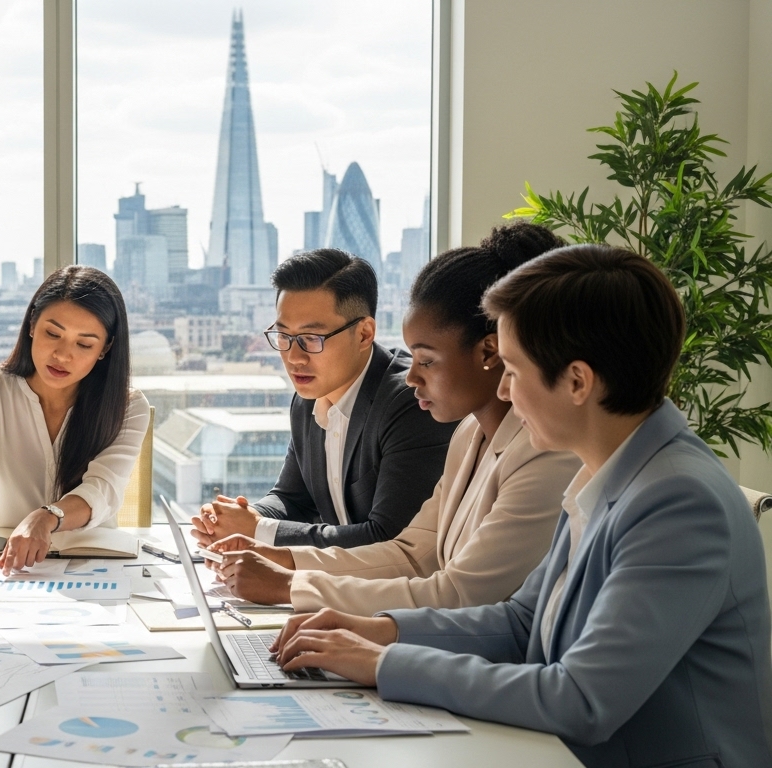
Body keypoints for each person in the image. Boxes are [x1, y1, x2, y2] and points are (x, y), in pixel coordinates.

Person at [272, 244, 772, 767]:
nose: (504, 390)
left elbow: (581, 699)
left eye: (513, 369)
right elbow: (520, 621)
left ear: (577, 381)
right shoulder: (603, 470)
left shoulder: (679, 502)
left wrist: (385, 663)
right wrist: (378, 629)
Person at [210, 225, 582, 612]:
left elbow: (458, 594)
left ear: (491, 352)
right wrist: (280, 561)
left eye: (427, 360)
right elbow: (409, 556)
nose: (411, 376)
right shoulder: (470, 434)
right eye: (284, 337)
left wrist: (292, 586)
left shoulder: (545, 453)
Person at [191, 249, 455, 550]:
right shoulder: (308, 399)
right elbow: (292, 499)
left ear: (364, 334)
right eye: (283, 336)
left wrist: (259, 530)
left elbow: (388, 538)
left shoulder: (410, 401)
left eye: (311, 339)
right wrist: (241, 518)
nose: (294, 358)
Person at [0, 265, 150, 574]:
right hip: (0, 562)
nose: (63, 355)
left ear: (106, 348)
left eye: (84, 344)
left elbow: (103, 488)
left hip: (93, 565)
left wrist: (47, 517)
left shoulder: (128, 406)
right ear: (32, 324)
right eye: (53, 333)